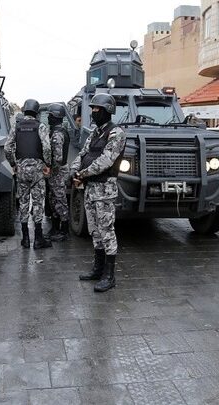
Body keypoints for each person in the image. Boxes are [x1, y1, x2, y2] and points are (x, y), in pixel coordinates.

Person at [71, 94, 126, 292]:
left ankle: (109, 276)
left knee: (106, 231)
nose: (93, 112)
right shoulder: (95, 133)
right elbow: (83, 153)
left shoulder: (116, 133)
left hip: (104, 190)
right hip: (90, 189)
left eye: (97, 109)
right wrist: (74, 170)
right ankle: (98, 269)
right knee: (94, 231)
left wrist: (82, 174)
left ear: (107, 111)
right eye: (92, 108)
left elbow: (106, 161)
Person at [4, 99, 52, 249]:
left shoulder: (16, 126)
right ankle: (38, 239)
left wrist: (13, 164)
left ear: (24, 111)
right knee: (38, 203)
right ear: (36, 112)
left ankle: (25, 239)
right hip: (37, 170)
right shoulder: (41, 126)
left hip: (21, 170)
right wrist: (47, 164)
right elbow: (47, 148)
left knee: (23, 203)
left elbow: (7, 148)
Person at [45, 103, 70, 241]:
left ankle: (64, 231)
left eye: (50, 115)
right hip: (55, 173)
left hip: (58, 172)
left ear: (55, 116)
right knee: (53, 200)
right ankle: (55, 228)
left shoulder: (58, 134)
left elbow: (58, 158)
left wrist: (49, 167)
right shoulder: (56, 131)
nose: (48, 118)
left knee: (60, 200)